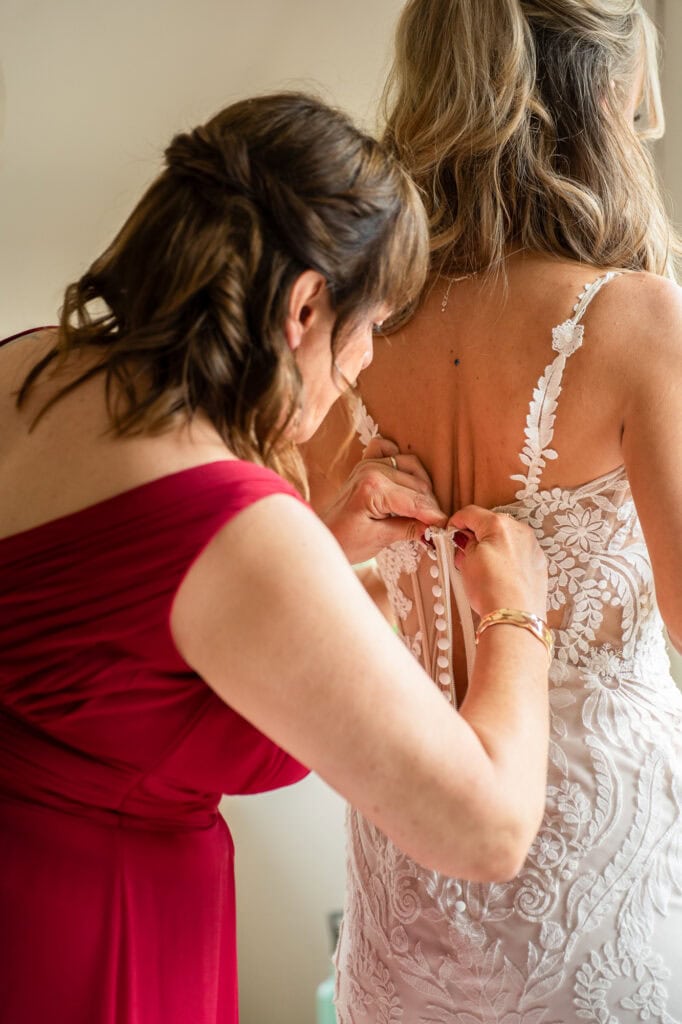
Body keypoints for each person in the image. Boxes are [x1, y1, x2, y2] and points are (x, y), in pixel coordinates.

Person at [0, 92, 551, 1024]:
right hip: (100, 950)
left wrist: (317, 553)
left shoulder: (29, 366)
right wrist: (516, 614)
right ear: (304, 305)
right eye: (372, 323)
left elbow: (116, 633)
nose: (370, 360)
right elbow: (487, 829)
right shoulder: (231, 522)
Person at [303, 3, 682, 1021]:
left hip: (412, 901)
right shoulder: (638, 320)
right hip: (606, 909)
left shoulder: (339, 330)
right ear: (603, 93)